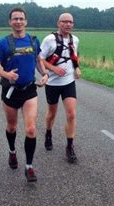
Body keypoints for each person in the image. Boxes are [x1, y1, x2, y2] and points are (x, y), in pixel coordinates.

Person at [0, 7, 49, 182]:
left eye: (21, 18)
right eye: (15, 19)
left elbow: (38, 60)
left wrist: (44, 74)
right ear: (10, 22)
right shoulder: (3, 43)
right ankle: (12, 151)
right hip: (11, 91)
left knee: (31, 129)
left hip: (29, 90)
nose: (18, 21)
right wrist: (7, 75)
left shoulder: (33, 40)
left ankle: (29, 166)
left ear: (26, 21)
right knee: (12, 127)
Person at [40, 13, 81, 163]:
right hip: (52, 83)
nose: (68, 24)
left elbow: (74, 55)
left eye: (70, 22)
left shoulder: (75, 39)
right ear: (58, 23)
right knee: (52, 113)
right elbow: (40, 59)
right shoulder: (49, 39)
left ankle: (69, 146)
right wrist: (53, 69)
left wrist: (77, 68)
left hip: (68, 82)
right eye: (65, 22)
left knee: (71, 114)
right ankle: (48, 133)